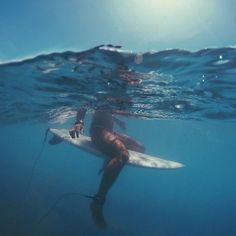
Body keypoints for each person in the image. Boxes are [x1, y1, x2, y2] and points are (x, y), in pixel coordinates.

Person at [87, 106, 145, 228]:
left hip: (110, 132)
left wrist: (118, 120)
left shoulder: (121, 90)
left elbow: (109, 108)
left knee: (141, 148)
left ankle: (109, 159)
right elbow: (83, 104)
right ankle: (98, 201)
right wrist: (78, 122)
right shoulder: (102, 89)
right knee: (122, 154)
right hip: (98, 131)